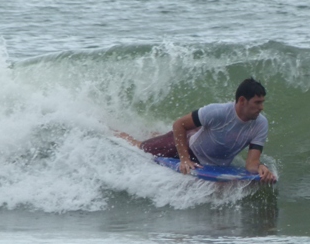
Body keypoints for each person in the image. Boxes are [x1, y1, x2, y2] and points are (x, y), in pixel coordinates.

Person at [119, 78, 277, 183]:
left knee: (175, 135)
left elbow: (251, 164)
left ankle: (156, 134)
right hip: (189, 148)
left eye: (262, 102)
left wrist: (261, 168)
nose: (261, 107)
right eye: (257, 102)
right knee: (141, 147)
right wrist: (185, 159)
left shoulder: (260, 124)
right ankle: (114, 133)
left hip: (213, 161)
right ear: (242, 100)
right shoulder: (218, 111)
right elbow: (179, 124)